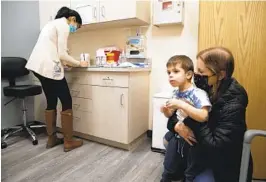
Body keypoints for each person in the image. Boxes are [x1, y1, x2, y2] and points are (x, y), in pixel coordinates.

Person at [170, 47, 253, 182]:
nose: (196, 76)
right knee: (170, 137)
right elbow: (174, 115)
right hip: (201, 146)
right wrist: (177, 127)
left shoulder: (234, 100)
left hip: (221, 162)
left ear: (220, 74)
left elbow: (216, 148)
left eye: (201, 72)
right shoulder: (206, 87)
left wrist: (193, 115)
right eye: (196, 70)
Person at [26, 7, 89, 152]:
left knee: (51, 100)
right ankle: (68, 141)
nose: (75, 29)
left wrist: (64, 62)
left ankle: (51, 139)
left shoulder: (51, 24)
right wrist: (79, 63)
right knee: (66, 100)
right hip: (48, 68)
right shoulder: (64, 25)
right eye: (77, 26)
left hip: (38, 67)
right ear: (72, 19)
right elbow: (61, 54)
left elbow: (52, 51)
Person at [160, 55, 212, 182]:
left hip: (193, 139)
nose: (170, 75)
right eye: (169, 72)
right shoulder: (175, 93)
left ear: (189, 74)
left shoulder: (198, 93)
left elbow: (204, 116)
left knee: (191, 170)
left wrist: (181, 104)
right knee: (168, 166)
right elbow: (171, 115)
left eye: (176, 71)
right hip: (177, 136)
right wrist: (166, 111)